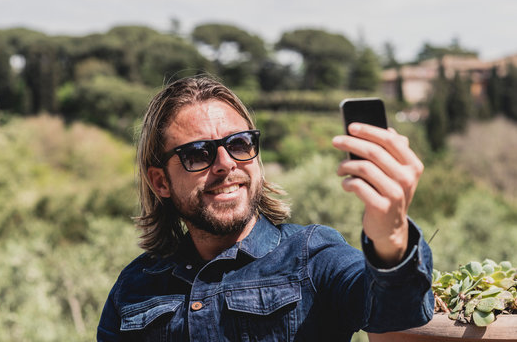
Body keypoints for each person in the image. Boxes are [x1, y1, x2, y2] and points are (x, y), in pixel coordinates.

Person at [97, 75, 434, 341]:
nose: (226, 164)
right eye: (198, 153)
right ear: (161, 182)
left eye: (239, 143)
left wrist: (391, 237)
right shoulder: (134, 287)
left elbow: (394, 313)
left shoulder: (313, 257)